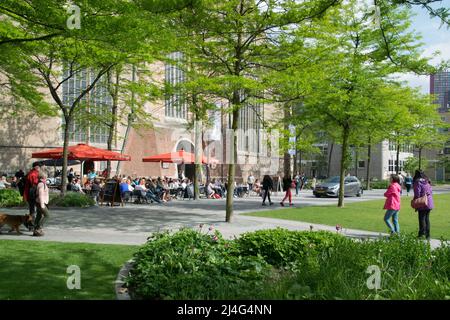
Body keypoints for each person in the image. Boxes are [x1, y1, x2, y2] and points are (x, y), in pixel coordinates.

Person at [413, 170, 434, 240]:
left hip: (422, 202)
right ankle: (428, 236)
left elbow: (417, 194)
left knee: (421, 218)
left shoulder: (417, 182)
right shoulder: (427, 181)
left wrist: (415, 201)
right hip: (429, 201)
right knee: (427, 219)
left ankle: (421, 234)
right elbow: (431, 191)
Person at [33, 172, 49, 237]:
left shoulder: (41, 184)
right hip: (40, 202)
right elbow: (41, 195)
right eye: (45, 177)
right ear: (42, 178)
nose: (46, 178)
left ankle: (35, 230)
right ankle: (39, 228)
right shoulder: (41, 184)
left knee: (39, 216)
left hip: (39, 202)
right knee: (47, 215)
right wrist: (42, 205)